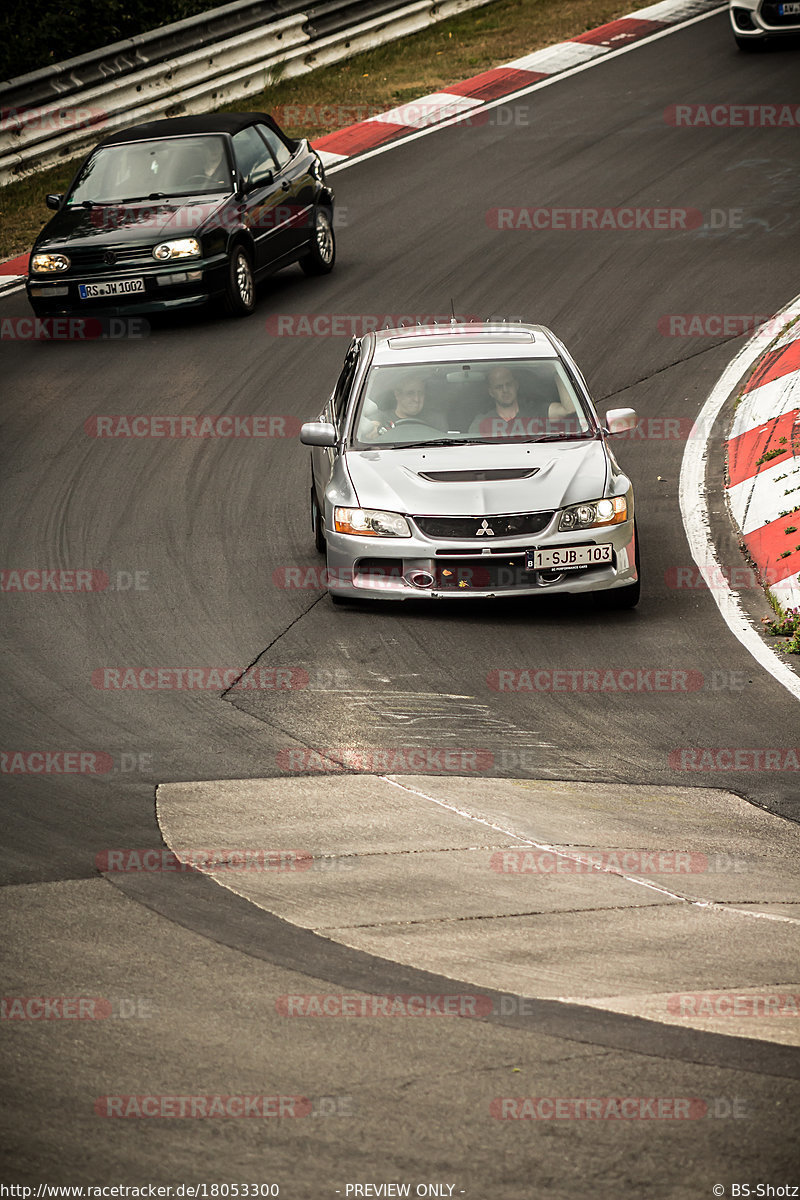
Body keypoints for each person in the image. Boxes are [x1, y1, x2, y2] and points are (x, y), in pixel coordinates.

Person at [468, 366, 569, 437]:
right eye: (499, 387)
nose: (505, 390)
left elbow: (568, 410)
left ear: (516, 385)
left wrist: (557, 372)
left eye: (508, 384)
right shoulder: (482, 422)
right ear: (491, 392)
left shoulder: (536, 412)